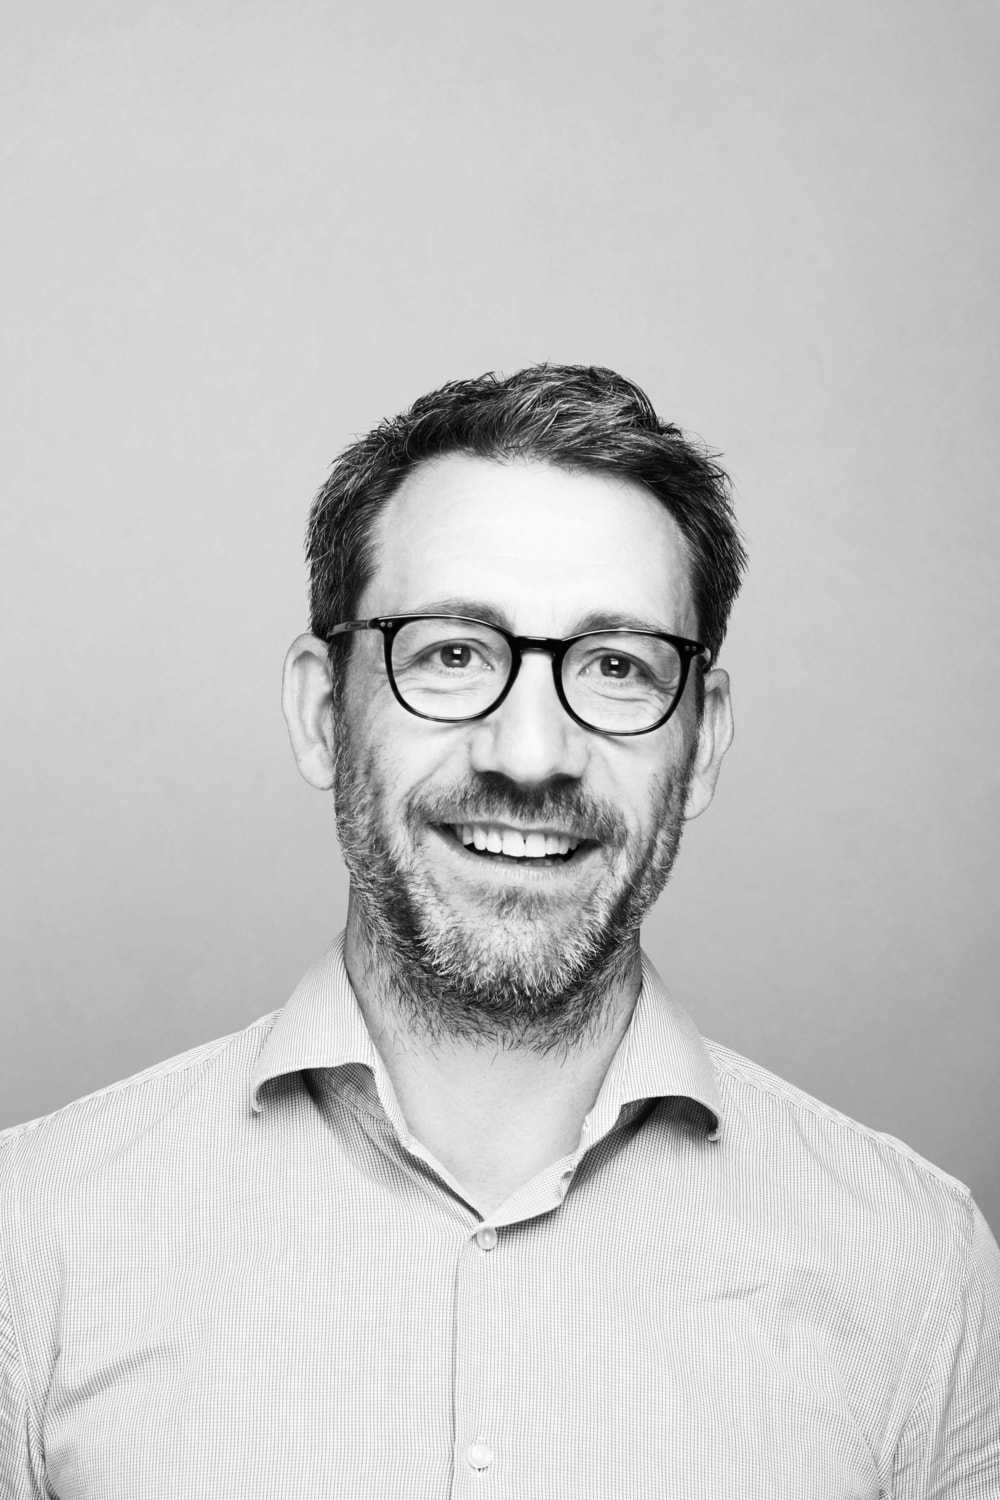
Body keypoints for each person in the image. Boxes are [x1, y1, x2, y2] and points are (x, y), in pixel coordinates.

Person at [1, 365, 997, 1499]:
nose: (530, 755)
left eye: (616, 667)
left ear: (703, 743)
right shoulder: (31, 1240)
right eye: (452, 654)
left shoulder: (915, 1269)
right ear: (323, 713)